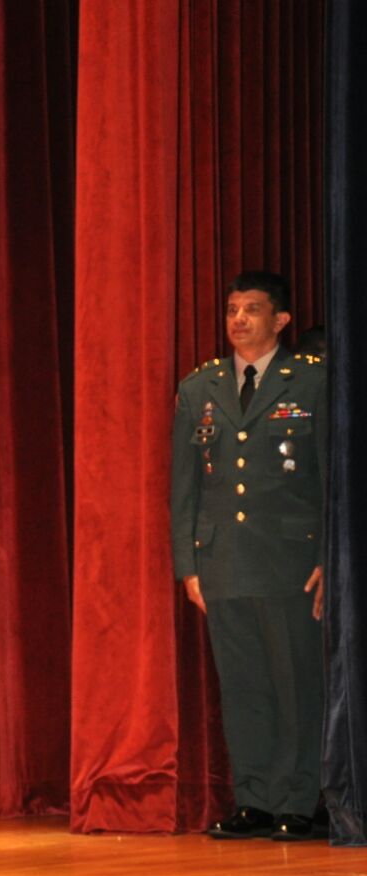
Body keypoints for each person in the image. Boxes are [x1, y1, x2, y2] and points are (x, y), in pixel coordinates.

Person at [171, 271, 328, 841]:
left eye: (252, 310)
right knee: (243, 687)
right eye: (232, 309)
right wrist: (188, 565)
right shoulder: (200, 387)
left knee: (295, 684)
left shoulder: (312, 381)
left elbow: (332, 478)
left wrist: (331, 557)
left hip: (291, 561)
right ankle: (254, 799)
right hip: (223, 563)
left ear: (280, 320)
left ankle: (298, 800)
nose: (238, 320)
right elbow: (184, 487)